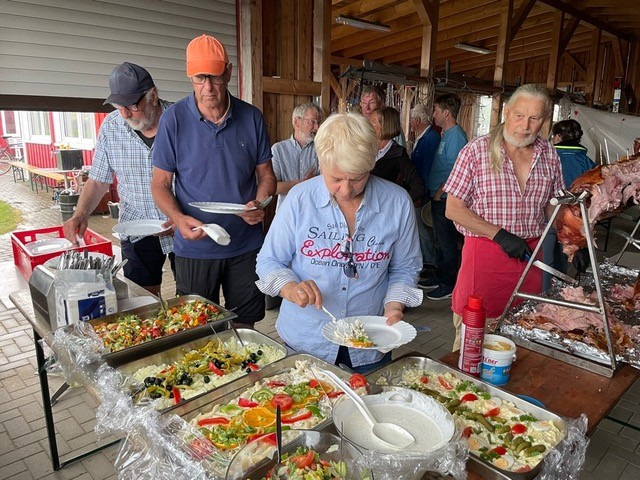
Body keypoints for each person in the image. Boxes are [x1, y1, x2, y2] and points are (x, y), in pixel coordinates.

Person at [255, 113, 422, 373]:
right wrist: (291, 288)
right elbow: (269, 261)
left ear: (372, 164)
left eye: (357, 178)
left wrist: (394, 307)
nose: (345, 190)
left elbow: (405, 267)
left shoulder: (397, 202)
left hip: (370, 342)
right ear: (321, 163)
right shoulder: (300, 199)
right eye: (335, 179)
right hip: (305, 341)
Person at [151, 34, 276, 328]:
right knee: (196, 328)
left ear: (228, 72)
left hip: (245, 244)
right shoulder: (173, 120)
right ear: (190, 76)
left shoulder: (252, 117)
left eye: (215, 77)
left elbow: (267, 175)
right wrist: (178, 218)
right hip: (195, 247)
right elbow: (160, 183)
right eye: (199, 78)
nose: (207, 87)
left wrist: (261, 203)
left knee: (245, 326)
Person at [444, 84, 563, 351]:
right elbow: (453, 208)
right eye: (519, 115)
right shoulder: (476, 151)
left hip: (530, 261)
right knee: (472, 348)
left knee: (522, 343)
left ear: (545, 120)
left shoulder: (549, 154)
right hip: (484, 261)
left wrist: (571, 235)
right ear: (507, 111)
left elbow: (550, 207)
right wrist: (498, 234)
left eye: (534, 118)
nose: (525, 126)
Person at [63, 62, 174, 296]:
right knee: (143, 298)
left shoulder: (182, 120)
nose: (124, 114)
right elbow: (98, 180)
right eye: (118, 106)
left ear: (153, 96)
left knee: (190, 296)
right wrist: (80, 215)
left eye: (132, 105)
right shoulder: (111, 126)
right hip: (137, 225)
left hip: (183, 224)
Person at [420, 93, 468, 300]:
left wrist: (441, 192)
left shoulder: (456, 136)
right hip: (439, 196)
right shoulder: (446, 134)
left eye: (436, 111)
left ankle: (448, 284)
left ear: (446, 113)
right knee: (440, 241)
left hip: (446, 198)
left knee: (447, 242)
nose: (433, 115)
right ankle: (440, 277)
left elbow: (457, 169)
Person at [541, 119, 595, 287]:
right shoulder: (588, 162)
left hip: (547, 215)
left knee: (545, 259)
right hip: (574, 219)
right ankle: (559, 290)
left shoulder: (547, 157)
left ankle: (543, 292)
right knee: (564, 255)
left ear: (558, 136)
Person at [409, 103, 440, 279]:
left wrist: (423, 194)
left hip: (423, 193)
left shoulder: (430, 139)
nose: (410, 123)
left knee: (424, 229)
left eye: (411, 120)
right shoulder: (424, 137)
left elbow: (428, 169)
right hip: (420, 190)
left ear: (417, 120)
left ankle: (430, 263)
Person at [271, 102, 321, 209]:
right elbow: (273, 188)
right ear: (297, 122)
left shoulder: (321, 149)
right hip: (286, 212)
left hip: (314, 211)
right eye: (312, 122)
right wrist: (302, 183)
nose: (317, 127)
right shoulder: (278, 149)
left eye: (318, 123)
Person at [369, 106, 425, 202]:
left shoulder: (398, 153)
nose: (368, 126)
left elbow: (418, 187)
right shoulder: (366, 149)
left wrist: (398, 205)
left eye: (373, 122)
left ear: (385, 126)